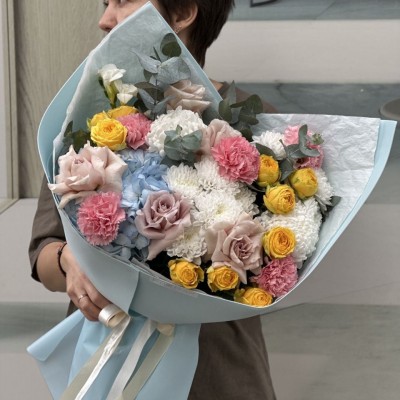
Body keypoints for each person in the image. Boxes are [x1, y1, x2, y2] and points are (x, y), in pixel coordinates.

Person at [29, 1, 277, 399]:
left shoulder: (255, 124)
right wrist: (69, 261)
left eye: (122, 1)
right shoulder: (89, 117)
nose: (104, 19)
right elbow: (43, 252)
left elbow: (282, 264)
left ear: (183, 13)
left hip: (218, 371)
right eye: (105, 3)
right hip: (111, 367)